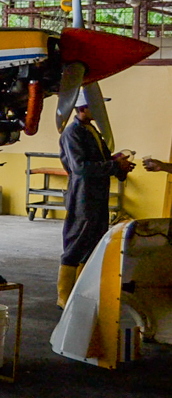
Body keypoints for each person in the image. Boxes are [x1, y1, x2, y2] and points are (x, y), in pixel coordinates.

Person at [58, 93, 134, 307]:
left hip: (96, 194)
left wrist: (116, 163)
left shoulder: (91, 131)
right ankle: (64, 296)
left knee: (94, 240)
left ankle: (81, 291)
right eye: (95, 107)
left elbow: (98, 160)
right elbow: (79, 167)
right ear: (82, 108)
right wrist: (113, 166)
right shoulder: (72, 133)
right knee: (77, 241)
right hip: (82, 196)